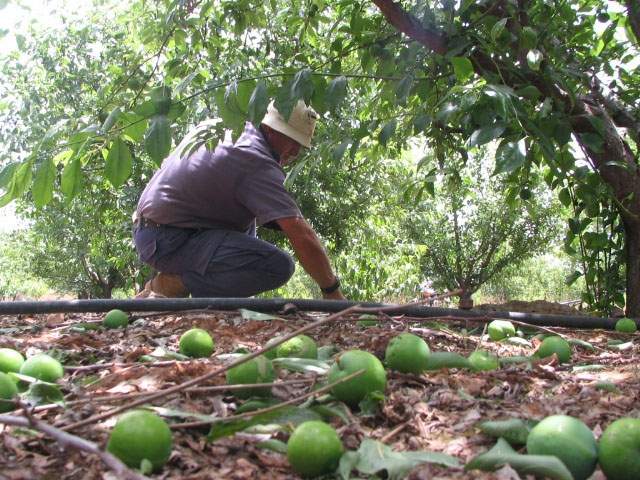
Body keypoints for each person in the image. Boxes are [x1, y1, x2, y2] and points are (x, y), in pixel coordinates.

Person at [133, 100, 345, 300]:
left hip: (153, 231)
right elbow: (301, 235)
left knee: (246, 219)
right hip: (167, 240)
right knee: (277, 266)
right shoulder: (255, 160)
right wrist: (331, 290)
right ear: (271, 130)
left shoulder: (224, 127)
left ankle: (214, 300)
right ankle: (172, 284)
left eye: (301, 145)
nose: (296, 151)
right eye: (292, 140)